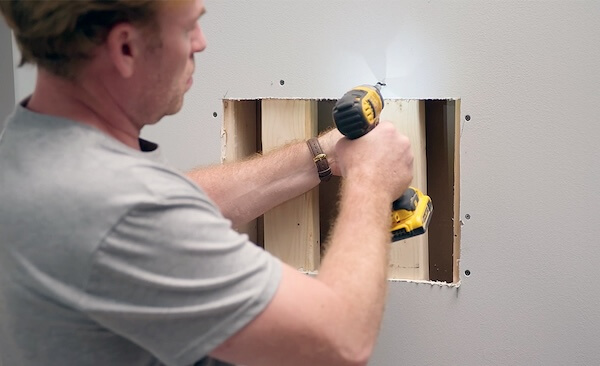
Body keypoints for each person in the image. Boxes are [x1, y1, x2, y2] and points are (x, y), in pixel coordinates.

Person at [0, 1, 414, 365]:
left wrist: (326, 153)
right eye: (187, 28)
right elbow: (340, 341)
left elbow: (176, 205)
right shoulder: (121, 210)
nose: (200, 42)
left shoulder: (30, 147)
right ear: (126, 48)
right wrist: (373, 181)